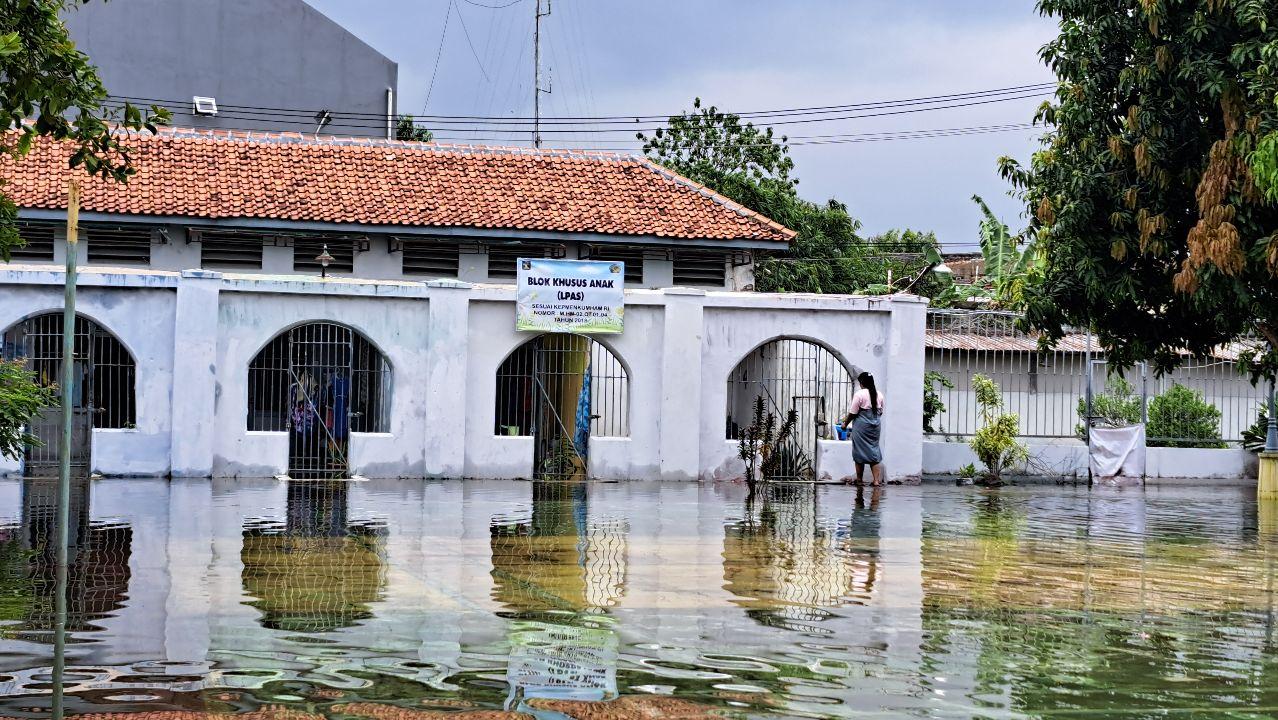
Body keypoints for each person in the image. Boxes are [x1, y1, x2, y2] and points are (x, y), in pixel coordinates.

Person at [843, 371, 885, 486]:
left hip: (862, 426)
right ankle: (876, 480)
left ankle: (860, 480)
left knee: (859, 452)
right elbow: (880, 412)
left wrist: (845, 424)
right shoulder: (879, 394)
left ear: (862, 382)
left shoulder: (859, 394)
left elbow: (853, 413)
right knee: (874, 451)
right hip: (875, 426)